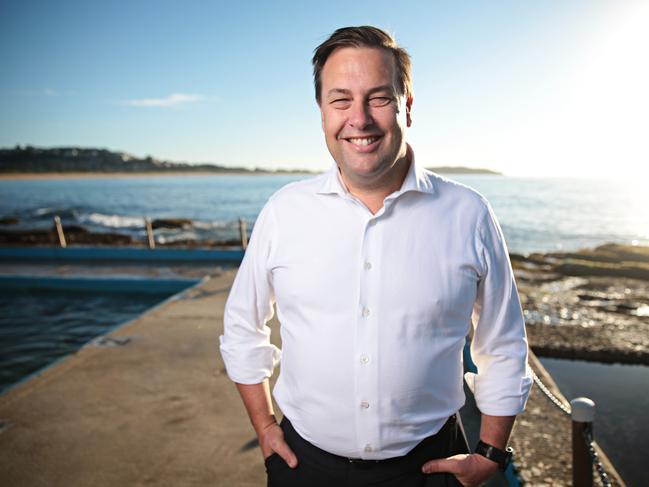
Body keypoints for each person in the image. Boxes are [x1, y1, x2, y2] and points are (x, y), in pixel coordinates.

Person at [219, 26, 532, 487]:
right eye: (340, 99)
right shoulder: (284, 211)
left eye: (379, 98)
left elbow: (502, 345)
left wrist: (490, 452)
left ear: (407, 105)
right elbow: (242, 328)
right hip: (303, 467)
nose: (359, 119)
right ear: (322, 111)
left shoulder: (469, 213)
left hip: (429, 468)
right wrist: (265, 427)